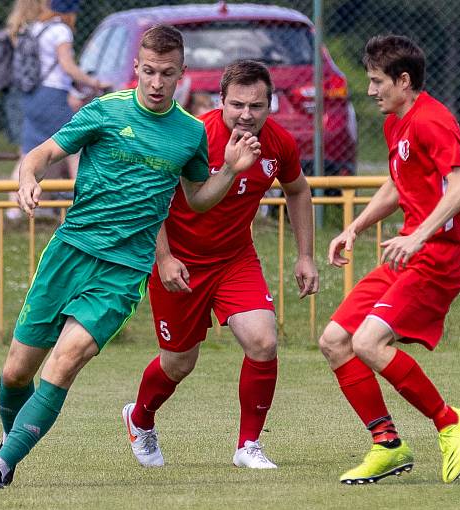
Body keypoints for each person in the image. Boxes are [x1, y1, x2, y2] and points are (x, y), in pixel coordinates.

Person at [0, 24, 263, 489]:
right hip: (69, 253)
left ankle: (0, 466)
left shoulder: (190, 134)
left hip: (124, 270)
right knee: (15, 373)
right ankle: (11, 447)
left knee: (66, 361)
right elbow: (41, 154)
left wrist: (229, 168)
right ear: (136, 68)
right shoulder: (105, 111)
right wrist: (28, 179)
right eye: (149, 71)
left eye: (167, 74)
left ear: (181, 75)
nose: (156, 82)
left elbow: (198, 198)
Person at [122, 60, 318, 469]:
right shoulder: (193, 136)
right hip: (181, 262)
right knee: (179, 362)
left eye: (257, 105)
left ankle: (248, 445)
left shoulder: (278, 144)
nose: (246, 114)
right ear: (221, 101)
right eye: (237, 105)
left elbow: (298, 190)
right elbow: (152, 197)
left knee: (263, 342)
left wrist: (304, 255)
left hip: (234, 258)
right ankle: (139, 418)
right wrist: (164, 258)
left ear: (271, 105)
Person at [318, 35, 460, 485]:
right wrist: (354, 227)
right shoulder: (397, 122)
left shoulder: (433, 121)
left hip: (437, 258)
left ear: (403, 81)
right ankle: (388, 446)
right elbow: (396, 184)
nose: (370, 91)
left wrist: (419, 234)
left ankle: (448, 420)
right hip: (409, 252)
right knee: (334, 340)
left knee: (368, 343)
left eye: (376, 82)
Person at [7, 0, 107, 220]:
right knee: (75, 147)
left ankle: (13, 211)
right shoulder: (61, 30)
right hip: (53, 96)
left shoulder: (36, 27)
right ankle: (83, 205)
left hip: (32, 96)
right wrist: (93, 82)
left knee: (29, 151)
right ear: (70, 12)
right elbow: (67, 66)